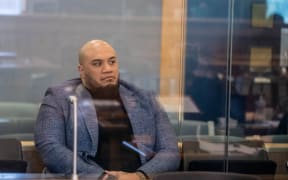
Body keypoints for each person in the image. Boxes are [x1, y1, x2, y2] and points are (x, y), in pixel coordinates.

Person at [34, 40, 180, 180]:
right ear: (81, 70)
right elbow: (50, 147)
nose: (107, 69)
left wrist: (139, 176)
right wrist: (102, 177)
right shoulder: (59, 97)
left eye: (112, 62)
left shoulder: (144, 99)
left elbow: (170, 151)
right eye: (97, 64)